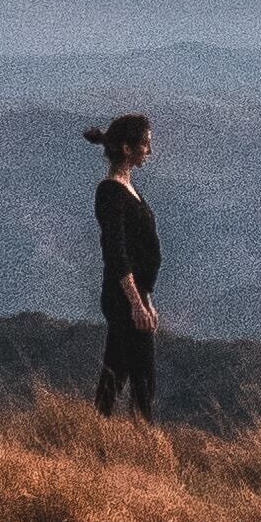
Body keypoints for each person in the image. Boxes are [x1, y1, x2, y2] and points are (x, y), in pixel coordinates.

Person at [86, 112, 163, 425]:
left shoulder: (126, 189)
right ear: (128, 149)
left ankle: (97, 428)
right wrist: (136, 303)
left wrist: (147, 299)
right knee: (143, 375)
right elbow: (116, 253)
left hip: (132, 296)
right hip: (122, 298)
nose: (149, 150)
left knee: (116, 369)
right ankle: (144, 441)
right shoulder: (110, 192)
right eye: (145, 144)